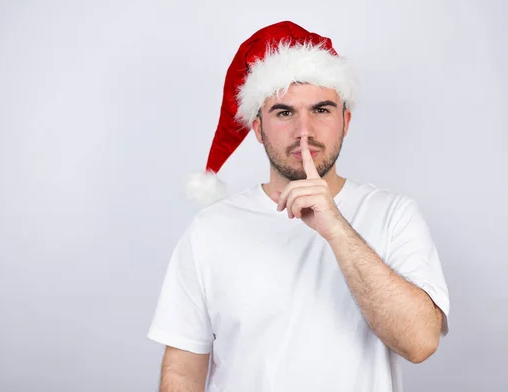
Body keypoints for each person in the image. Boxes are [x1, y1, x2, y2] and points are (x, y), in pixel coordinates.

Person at [147, 20, 450, 392]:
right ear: (257, 128)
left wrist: (335, 227)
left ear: (345, 122)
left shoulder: (393, 215)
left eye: (321, 110)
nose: (304, 130)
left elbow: (420, 343)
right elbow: (182, 371)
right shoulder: (212, 228)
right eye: (284, 112)